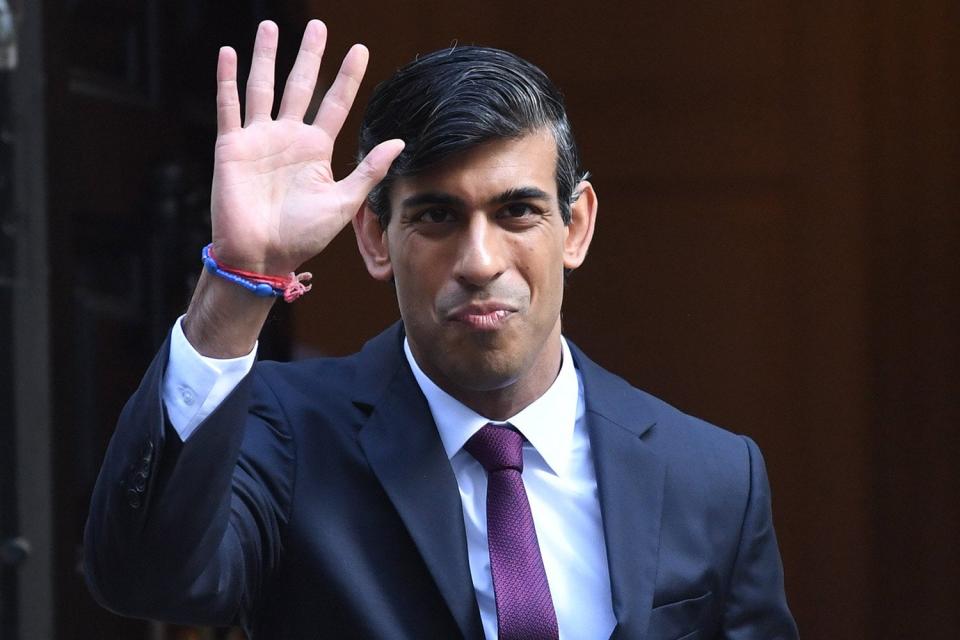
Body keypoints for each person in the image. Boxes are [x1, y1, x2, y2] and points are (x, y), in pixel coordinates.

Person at [83, 19, 798, 640]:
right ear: (375, 238)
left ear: (575, 226)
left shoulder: (712, 476)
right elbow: (149, 580)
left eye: (518, 212)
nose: (480, 262)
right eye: (436, 217)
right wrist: (240, 279)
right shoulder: (288, 433)